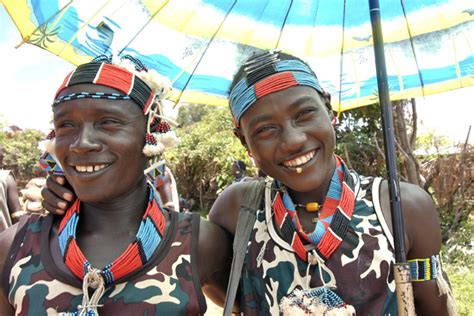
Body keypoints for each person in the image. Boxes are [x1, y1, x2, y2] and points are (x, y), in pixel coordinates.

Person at [40, 51, 454, 315]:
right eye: (265, 129)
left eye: (305, 115)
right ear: (245, 143)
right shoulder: (238, 210)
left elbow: (435, 307)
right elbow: (225, 290)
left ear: (330, 110)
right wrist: (80, 188)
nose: (293, 140)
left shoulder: (400, 208)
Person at [0, 56, 230, 315]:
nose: (82, 143)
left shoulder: (200, 244)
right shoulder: (14, 247)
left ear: (150, 134)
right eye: (66, 125)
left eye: (108, 122)